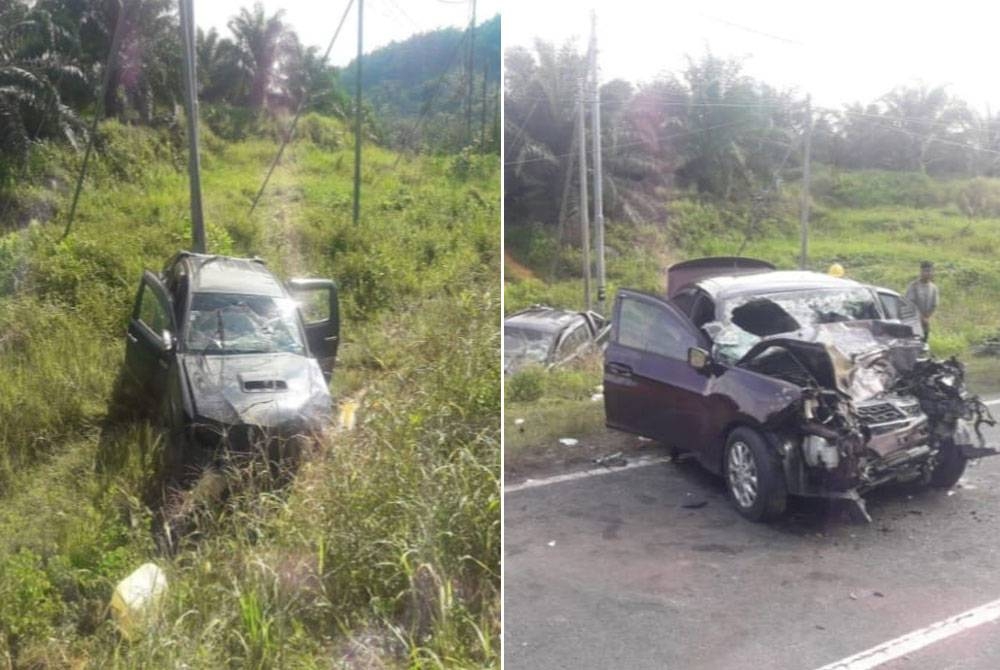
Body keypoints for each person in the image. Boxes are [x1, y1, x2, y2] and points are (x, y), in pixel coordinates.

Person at [905, 260, 938, 342]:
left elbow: (934, 304)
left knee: (924, 344)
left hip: (925, 323)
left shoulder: (933, 288)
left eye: (930, 271)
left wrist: (926, 317)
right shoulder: (914, 286)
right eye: (926, 271)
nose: (928, 273)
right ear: (921, 272)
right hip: (913, 321)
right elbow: (909, 303)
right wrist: (920, 317)